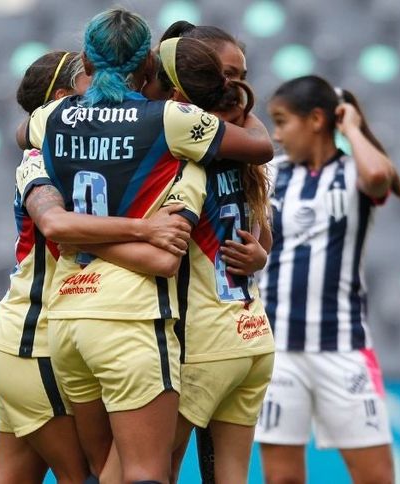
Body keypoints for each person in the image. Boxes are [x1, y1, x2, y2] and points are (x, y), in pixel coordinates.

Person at [21, 8, 274, 483]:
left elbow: (24, 134)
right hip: (176, 324)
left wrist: (75, 229)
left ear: (86, 61)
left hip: (71, 317)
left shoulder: (53, 117)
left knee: (106, 471)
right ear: (147, 65)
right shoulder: (176, 129)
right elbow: (261, 150)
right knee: (147, 472)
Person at [0, 50, 192, 484]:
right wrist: (146, 229)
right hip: (35, 340)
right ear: (63, 99)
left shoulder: (77, 153)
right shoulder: (41, 159)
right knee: (90, 477)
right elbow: (58, 226)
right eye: (87, 80)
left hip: (21, 335)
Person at [255, 75, 400, 484]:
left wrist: (352, 127)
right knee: (281, 479)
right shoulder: (271, 173)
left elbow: (379, 177)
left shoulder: (355, 171)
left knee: (376, 479)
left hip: (343, 347)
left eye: (282, 122)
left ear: (317, 120)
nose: (277, 135)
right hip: (277, 348)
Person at [143, 24, 276, 484]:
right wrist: (259, 258)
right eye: (227, 74)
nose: (233, 85)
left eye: (240, 76)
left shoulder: (181, 148)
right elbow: (263, 239)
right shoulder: (242, 154)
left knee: (152, 471)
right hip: (252, 335)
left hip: (201, 342)